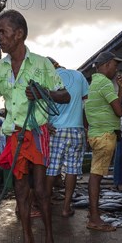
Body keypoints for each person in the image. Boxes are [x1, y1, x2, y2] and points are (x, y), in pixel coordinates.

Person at [0, 10, 70, 243]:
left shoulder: (41, 63)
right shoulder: (0, 69)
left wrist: (43, 92)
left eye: (2, 32)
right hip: (13, 135)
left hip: (36, 133)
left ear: (19, 34)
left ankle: (49, 240)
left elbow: (64, 95)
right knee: (20, 190)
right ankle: (28, 240)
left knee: (41, 190)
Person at [84, 51, 122, 232]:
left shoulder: (94, 83)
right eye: (115, 65)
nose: (116, 69)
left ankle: (93, 211)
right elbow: (120, 111)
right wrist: (118, 90)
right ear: (107, 64)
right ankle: (94, 218)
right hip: (105, 135)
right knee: (96, 176)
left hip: (95, 134)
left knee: (96, 174)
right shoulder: (105, 84)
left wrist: (121, 89)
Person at [45, 57, 89, 218]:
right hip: (76, 129)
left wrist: (45, 123)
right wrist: (86, 127)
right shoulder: (78, 75)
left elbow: (40, 106)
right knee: (72, 169)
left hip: (55, 130)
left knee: (51, 168)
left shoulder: (46, 78)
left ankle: (46, 204)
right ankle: (66, 207)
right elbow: (86, 104)